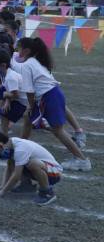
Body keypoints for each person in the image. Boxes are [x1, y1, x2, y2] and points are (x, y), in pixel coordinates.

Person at [16, 37, 90, 171]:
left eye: (18, 48)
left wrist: (31, 106)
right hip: (52, 95)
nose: (16, 50)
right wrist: (31, 107)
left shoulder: (26, 65)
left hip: (49, 97)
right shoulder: (34, 61)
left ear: (26, 51)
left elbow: (29, 90)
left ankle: (82, 160)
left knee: (58, 131)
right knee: (28, 119)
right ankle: (20, 146)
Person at [0, 130, 61, 205]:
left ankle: (47, 192)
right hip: (45, 168)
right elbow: (10, 167)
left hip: (55, 173)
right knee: (19, 164)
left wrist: (3, 192)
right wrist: (3, 186)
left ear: (0, 146)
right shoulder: (11, 144)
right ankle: (27, 186)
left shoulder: (20, 149)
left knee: (32, 164)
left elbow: (16, 175)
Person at [0, 48, 27, 134]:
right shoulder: (6, 74)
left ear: (3, 65)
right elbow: (10, 91)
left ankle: (3, 134)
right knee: (3, 116)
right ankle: (3, 131)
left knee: (4, 119)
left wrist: (6, 95)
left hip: (21, 103)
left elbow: (16, 95)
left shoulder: (10, 77)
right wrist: (7, 101)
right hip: (16, 100)